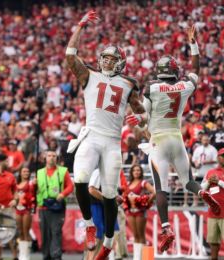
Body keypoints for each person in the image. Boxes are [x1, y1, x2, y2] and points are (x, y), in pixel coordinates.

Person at [126, 25, 220, 253]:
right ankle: (202, 191)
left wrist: (136, 120)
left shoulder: (153, 88)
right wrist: (193, 43)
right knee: (188, 181)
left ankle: (166, 227)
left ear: (159, 71)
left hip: (159, 141)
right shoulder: (185, 85)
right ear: (175, 70)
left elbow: (143, 115)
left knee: (161, 189)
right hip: (177, 140)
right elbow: (196, 69)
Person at [65, 10, 146, 259]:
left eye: (111, 59)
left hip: (112, 141)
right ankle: (90, 224)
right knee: (79, 178)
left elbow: (142, 111)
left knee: (110, 194)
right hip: (91, 136)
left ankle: (109, 242)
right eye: (105, 58)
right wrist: (80, 26)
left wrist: (140, 118)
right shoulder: (89, 74)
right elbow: (70, 54)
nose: (106, 62)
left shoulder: (128, 84)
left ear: (120, 62)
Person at [35, 150, 74, 260]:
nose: (51, 157)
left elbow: (70, 186)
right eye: (49, 155)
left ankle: (56, 256)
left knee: (56, 232)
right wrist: (33, 185)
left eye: (54, 156)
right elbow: (35, 190)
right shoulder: (39, 172)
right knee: (45, 233)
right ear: (45, 158)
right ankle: (46, 256)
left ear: (57, 158)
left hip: (58, 206)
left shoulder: (63, 171)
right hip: (43, 206)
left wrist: (63, 194)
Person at [86, 169, 120, 260]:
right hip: (96, 204)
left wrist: (114, 198)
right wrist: (109, 200)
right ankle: (91, 258)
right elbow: (92, 190)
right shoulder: (98, 170)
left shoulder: (112, 171)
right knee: (98, 232)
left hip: (103, 205)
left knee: (108, 233)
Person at [123, 165, 155, 260]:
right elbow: (125, 195)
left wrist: (146, 202)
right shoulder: (128, 183)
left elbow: (154, 192)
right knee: (135, 235)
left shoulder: (143, 183)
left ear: (141, 172)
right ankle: (137, 257)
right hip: (130, 212)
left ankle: (145, 258)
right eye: (134, 170)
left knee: (141, 235)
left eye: (138, 170)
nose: (136, 172)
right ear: (131, 172)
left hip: (140, 211)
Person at [16, 167, 35, 260]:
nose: (26, 173)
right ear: (20, 173)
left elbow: (34, 192)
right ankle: (21, 253)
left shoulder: (31, 183)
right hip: (18, 209)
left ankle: (26, 255)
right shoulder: (17, 184)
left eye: (28, 171)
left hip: (27, 209)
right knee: (20, 231)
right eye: (24, 171)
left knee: (26, 231)